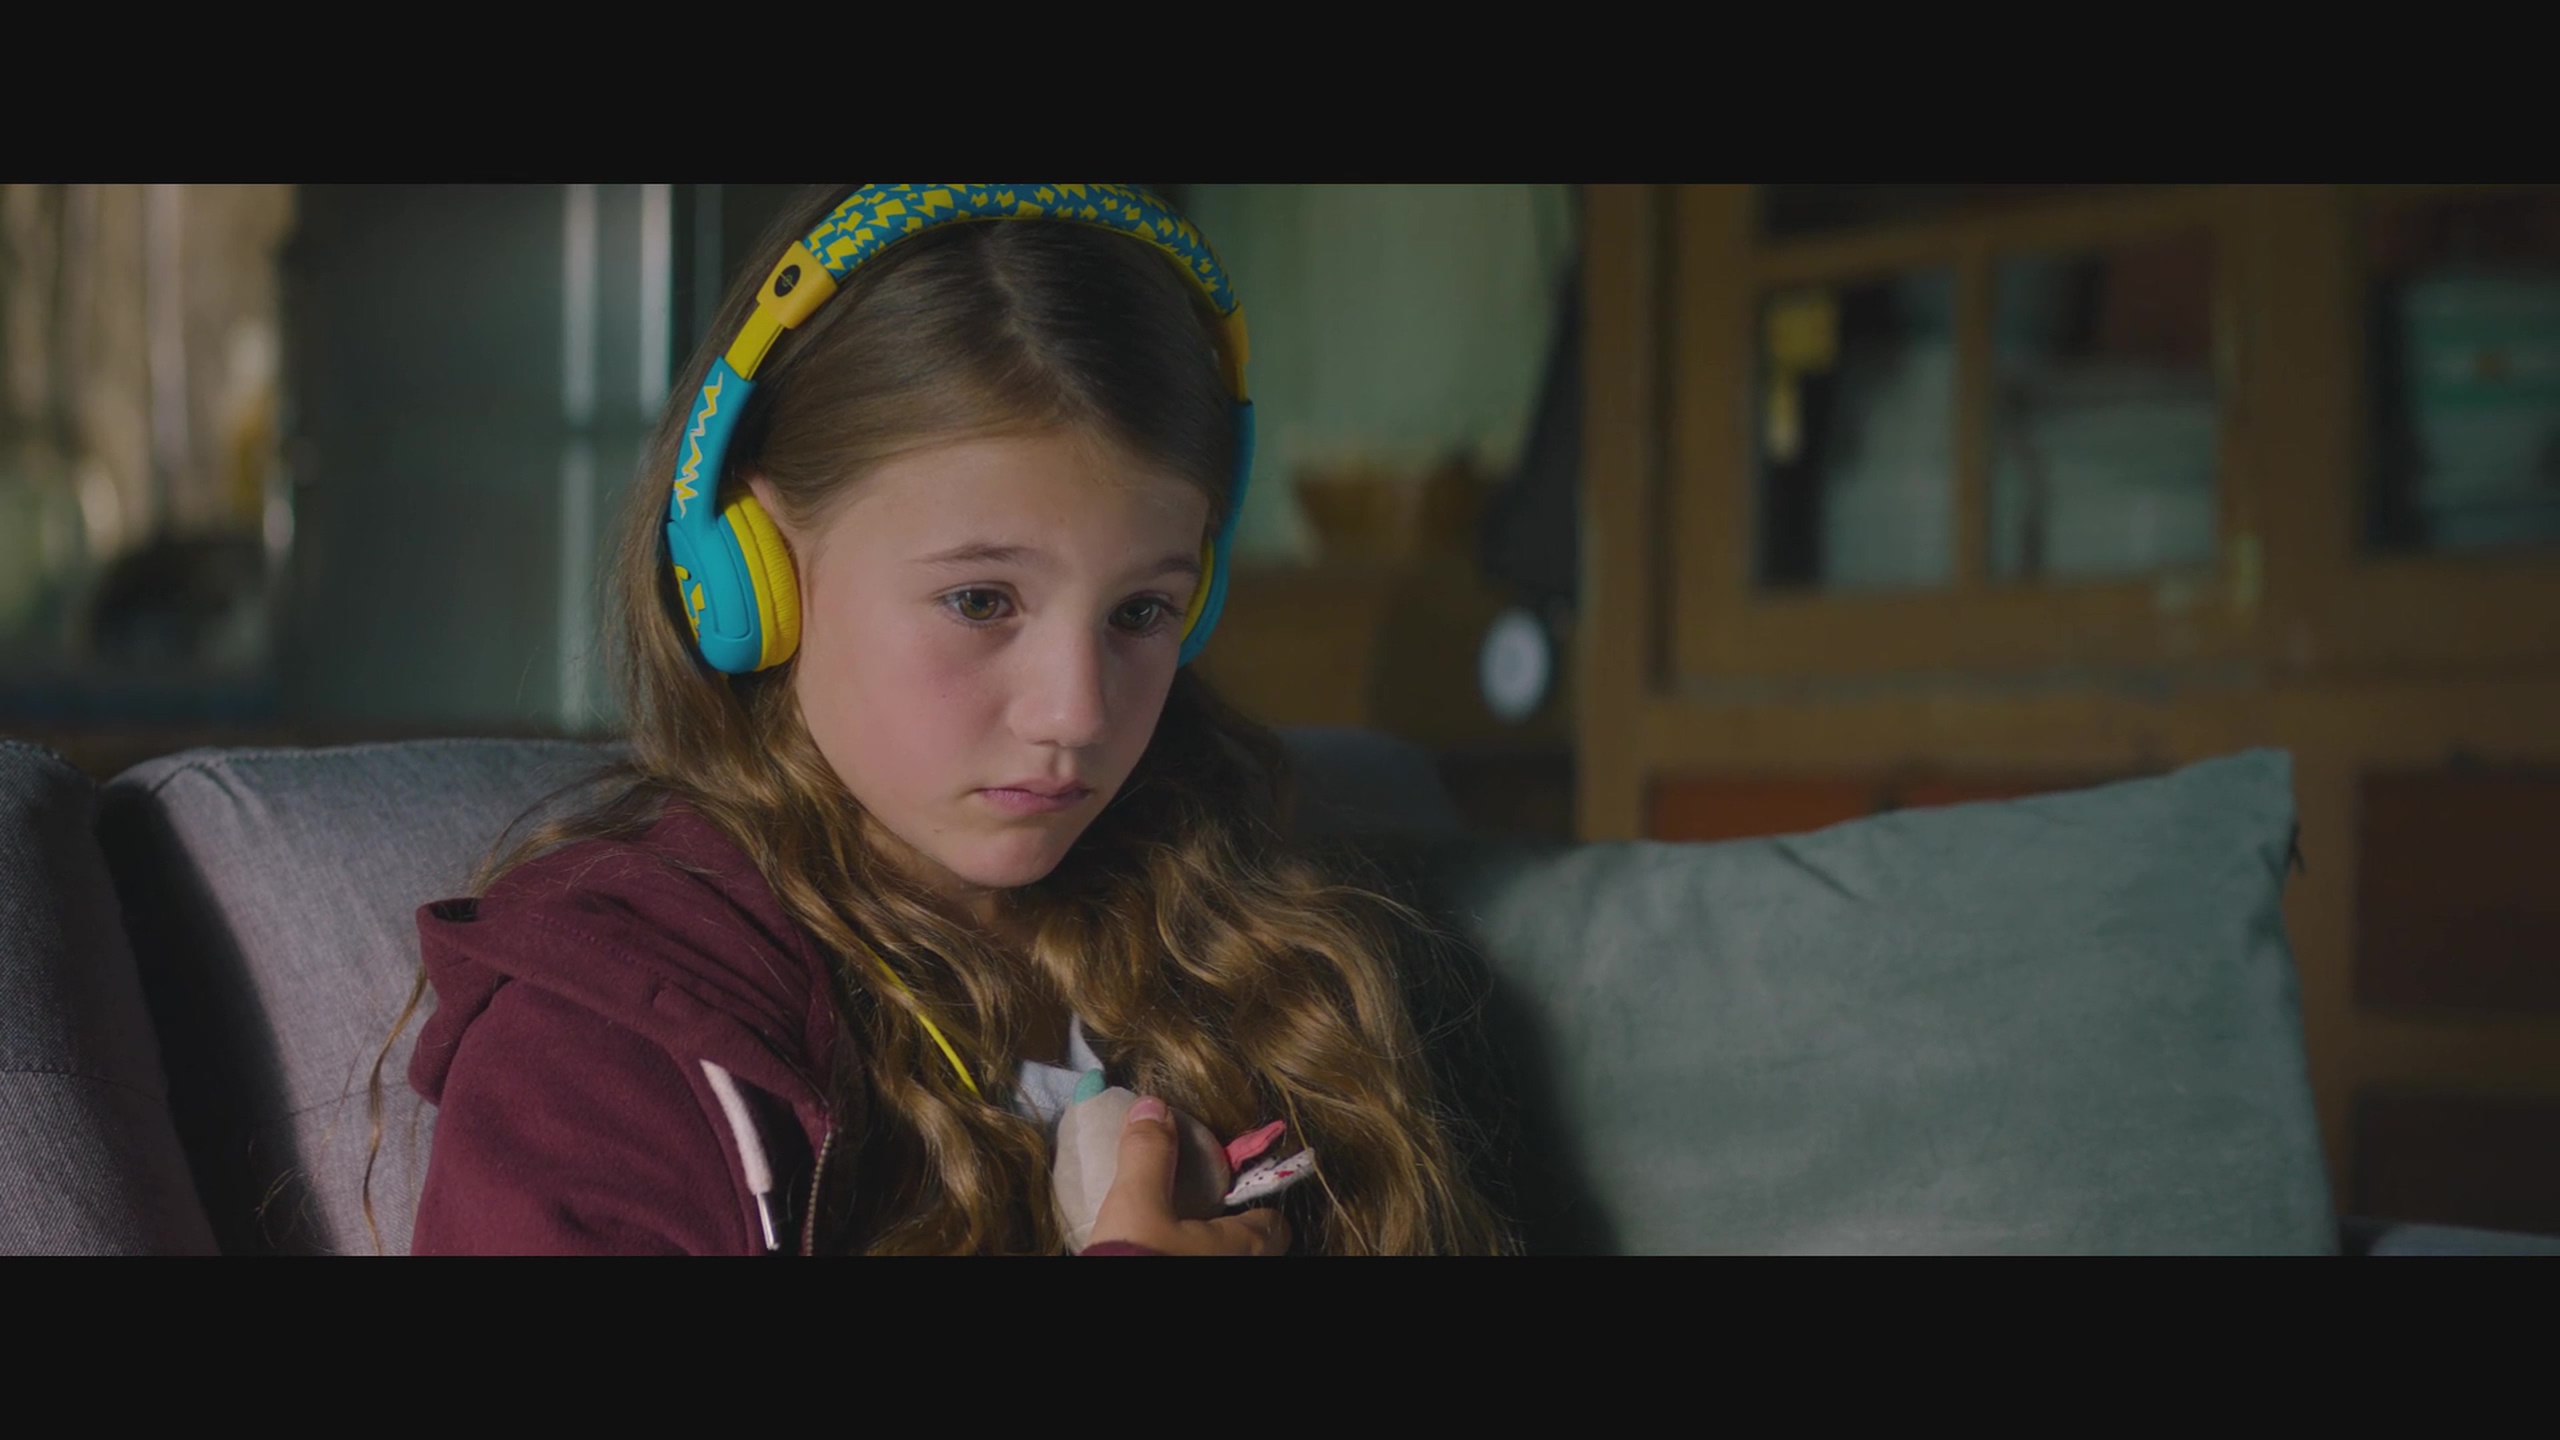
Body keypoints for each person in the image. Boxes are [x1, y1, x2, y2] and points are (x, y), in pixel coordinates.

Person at [378, 184, 1512, 1255]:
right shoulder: (607, 1042)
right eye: (980, 601)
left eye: (1140, 611)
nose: (1076, 712)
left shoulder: (1247, 960)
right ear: (752, 572)